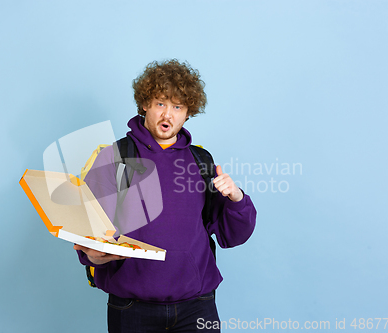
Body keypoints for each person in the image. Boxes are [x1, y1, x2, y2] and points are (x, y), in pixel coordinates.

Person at [74, 59, 256, 333]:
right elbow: (85, 234)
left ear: (188, 113)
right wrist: (93, 255)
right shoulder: (114, 157)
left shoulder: (201, 160)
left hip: (197, 305)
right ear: (145, 103)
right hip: (132, 307)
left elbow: (234, 235)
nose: (168, 115)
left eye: (177, 107)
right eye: (160, 103)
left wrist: (236, 198)